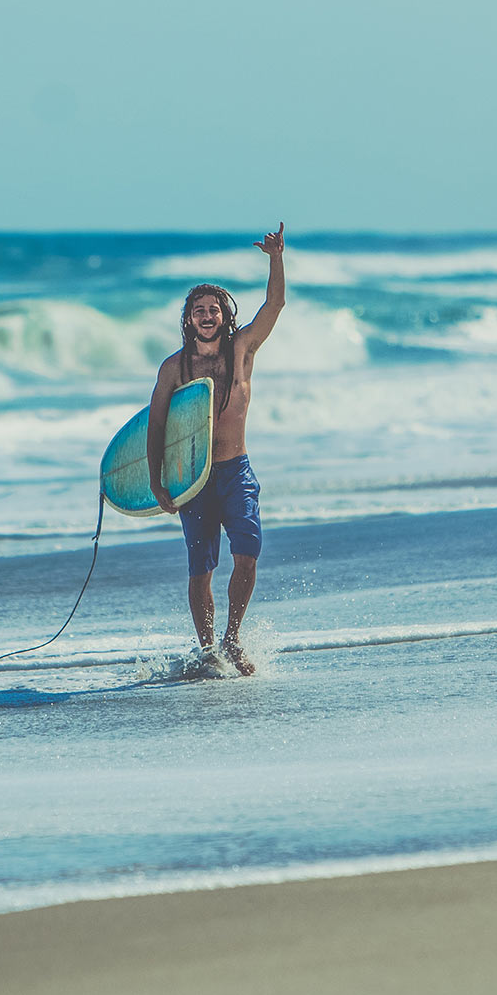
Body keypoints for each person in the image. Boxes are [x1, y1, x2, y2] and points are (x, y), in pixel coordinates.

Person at [147, 222, 286, 675]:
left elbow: (275, 304)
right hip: (195, 478)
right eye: (198, 310)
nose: (207, 315)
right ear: (188, 319)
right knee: (200, 569)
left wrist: (275, 259)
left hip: (236, 470)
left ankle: (232, 638)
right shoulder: (175, 367)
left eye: (214, 309)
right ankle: (208, 650)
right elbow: (156, 426)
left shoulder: (242, 348)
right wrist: (156, 480)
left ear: (226, 316)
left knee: (248, 552)